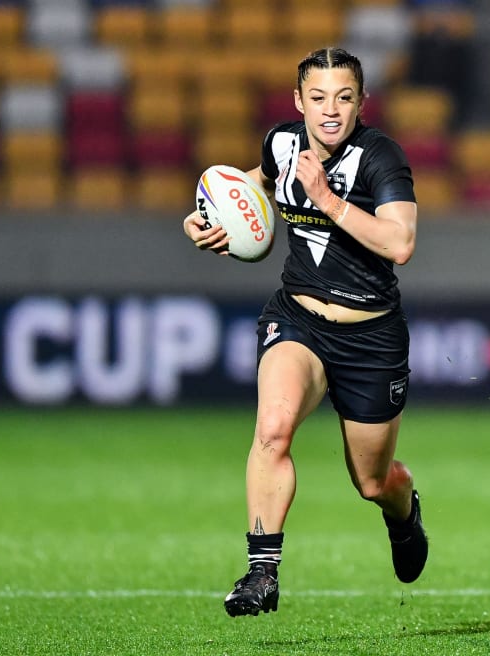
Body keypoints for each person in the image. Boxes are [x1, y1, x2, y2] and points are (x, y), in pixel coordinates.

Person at [182, 47, 428, 617]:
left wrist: (325, 199)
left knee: (371, 481)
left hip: (370, 338)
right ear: (299, 102)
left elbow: (401, 243)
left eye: (344, 98)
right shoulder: (281, 142)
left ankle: (403, 511)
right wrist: (205, 215)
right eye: (317, 98)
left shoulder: (381, 158)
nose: (330, 111)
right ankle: (261, 571)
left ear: (362, 103)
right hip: (297, 317)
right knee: (272, 429)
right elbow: (252, 184)